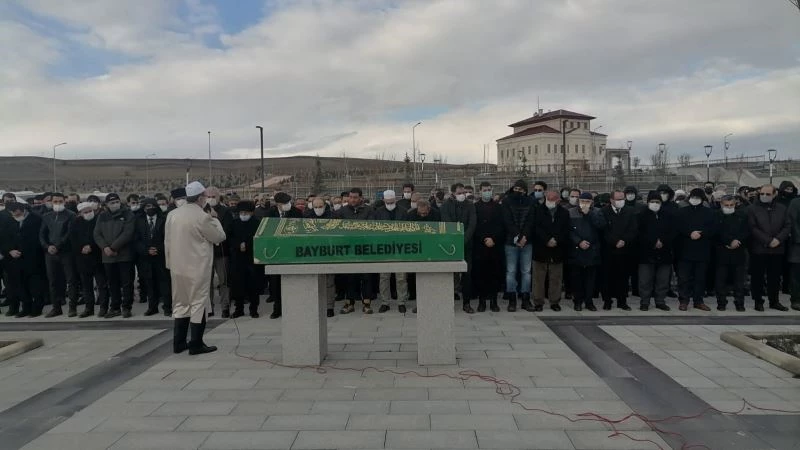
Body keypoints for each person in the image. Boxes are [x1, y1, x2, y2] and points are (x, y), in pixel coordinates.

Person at [165, 181, 226, 355]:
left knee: (181, 304)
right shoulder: (202, 216)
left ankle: (179, 343)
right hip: (197, 268)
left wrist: (169, 264)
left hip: (177, 268)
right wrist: (214, 218)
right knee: (199, 304)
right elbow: (219, 237)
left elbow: (167, 242)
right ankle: (196, 343)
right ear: (200, 198)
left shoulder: (173, 215)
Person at [747, 184, 790, 311]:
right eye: (762, 194)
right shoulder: (752, 209)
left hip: (777, 249)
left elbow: (787, 226)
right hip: (759, 249)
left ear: (774, 194)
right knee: (757, 277)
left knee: (775, 277)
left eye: (768, 194)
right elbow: (752, 227)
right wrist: (768, 240)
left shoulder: (782, 208)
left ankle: (774, 301)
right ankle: (758, 301)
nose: (764, 196)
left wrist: (778, 239)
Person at [93, 193, 137, 318]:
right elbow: (97, 234)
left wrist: (113, 247)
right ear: (106, 204)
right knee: (112, 283)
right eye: (112, 203)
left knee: (127, 283)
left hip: (124, 255)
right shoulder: (102, 216)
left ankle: (126, 307)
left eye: (117, 201)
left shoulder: (128, 214)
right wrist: (105, 247)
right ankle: (115, 307)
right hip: (108, 256)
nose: (115, 204)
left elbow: (128, 233)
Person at [334, 188, 376, 315]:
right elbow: (338, 229)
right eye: (351, 197)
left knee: (366, 276)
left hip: (364, 248)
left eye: (355, 197)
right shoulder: (342, 211)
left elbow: (370, 227)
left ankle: (367, 304)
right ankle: (349, 303)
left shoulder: (368, 210)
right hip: (348, 249)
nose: (352, 200)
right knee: (349, 277)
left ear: (361, 198)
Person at [1, 203, 46, 317]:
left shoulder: (36, 219)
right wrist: (10, 250)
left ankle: (37, 308)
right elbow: (4, 238)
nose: (16, 216)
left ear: (23, 210)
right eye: (13, 214)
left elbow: (40, 237)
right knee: (21, 286)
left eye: (18, 214)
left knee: (35, 286)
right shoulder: (9, 221)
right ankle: (26, 307)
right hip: (15, 259)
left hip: (34, 258)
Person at [674, 188, 716, 311]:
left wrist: (701, 234)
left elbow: (713, 229)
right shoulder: (681, 212)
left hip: (702, 250)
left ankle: (698, 301)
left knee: (700, 278)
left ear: (702, 199)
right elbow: (677, 228)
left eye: (698, 198)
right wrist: (689, 233)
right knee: (684, 278)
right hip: (684, 250)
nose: (695, 200)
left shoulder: (709, 213)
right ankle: (683, 300)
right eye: (693, 197)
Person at [39, 192, 79, 317]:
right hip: (50, 254)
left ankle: (72, 307)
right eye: (55, 201)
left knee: (71, 280)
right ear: (51, 202)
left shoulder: (71, 215)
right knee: (52, 281)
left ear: (64, 201)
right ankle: (56, 308)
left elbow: (69, 233)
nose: (57, 204)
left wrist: (58, 246)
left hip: (66, 252)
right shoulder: (47, 216)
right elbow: (42, 234)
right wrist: (47, 246)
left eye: (60, 201)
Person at [441, 183, 477, 312]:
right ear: (453, 194)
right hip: (450, 245)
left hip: (467, 245)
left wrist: (464, 239)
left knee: (467, 274)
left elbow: (472, 223)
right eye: (459, 193)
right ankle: (448, 301)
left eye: (463, 193)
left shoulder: (470, 205)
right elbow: (447, 223)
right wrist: (456, 240)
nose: (462, 195)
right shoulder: (446, 206)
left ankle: (466, 303)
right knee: (450, 274)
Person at [267, 192, 304, 318]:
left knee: (294, 280)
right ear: (278, 204)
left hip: (292, 250)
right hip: (276, 252)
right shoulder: (270, 214)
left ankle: (295, 307)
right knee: (276, 281)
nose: (288, 205)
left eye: (289, 202)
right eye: (285, 203)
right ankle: (277, 308)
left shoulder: (296, 213)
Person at [568, 193, 606, 311]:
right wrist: (578, 242)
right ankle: (577, 301)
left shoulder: (597, 212)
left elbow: (601, 226)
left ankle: (589, 301)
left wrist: (588, 213)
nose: (584, 203)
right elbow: (568, 230)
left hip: (592, 250)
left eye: (587, 201)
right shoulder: (571, 212)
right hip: (577, 250)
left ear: (592, 202)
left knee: (590, 279)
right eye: (582, 200)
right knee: (576, 278)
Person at [637, 191, 675, 311]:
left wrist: (662, 241)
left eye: (657, 202)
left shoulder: (668, 215)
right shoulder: (641, 215)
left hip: (664, 252)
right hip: (646, 253)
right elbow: (638, 233)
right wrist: (653, 241)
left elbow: (673, 232)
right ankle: (644, 302)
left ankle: (660, 301)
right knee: (645, 280)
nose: (655, 204)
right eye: (652, 202)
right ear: (648, 202)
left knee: (662, 280)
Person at [600, 190, 637, 311]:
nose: (621, 201)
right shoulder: (604, 211)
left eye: (622, 199)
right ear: (611, 200)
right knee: (607, 277)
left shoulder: (630, 211)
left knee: (623, 277)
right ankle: (607, 301)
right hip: (608, 250)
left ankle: (622, 301)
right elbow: (603, 230)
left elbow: (633, 229)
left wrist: (624, 240)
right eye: (618, 199)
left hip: (625, 250)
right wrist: (614, 241)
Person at [533, 191, 570, 312]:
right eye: (548, 199)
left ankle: (554, 301)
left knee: (556, 277)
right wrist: (547, 240)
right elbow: (535, 228)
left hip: (558, 248)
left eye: (553, 200)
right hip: (541, 248)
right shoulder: (537, 210)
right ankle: (538, 301)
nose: (550, 202)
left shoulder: (564, 213)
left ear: (558, 200)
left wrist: (556, 240)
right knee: (539, 278)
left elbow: (566, 229)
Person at [501, 180, 535, 312]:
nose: (518, 191)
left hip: (527, 242)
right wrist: (517, 236)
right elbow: (507, 220)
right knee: (511, 271)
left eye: (520, 189)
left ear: (525, 190)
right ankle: (512, 299)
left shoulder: (531, 202)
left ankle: (525, 299)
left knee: (526, 272)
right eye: (516, 188)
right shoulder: (506, 201)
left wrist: (524, 236)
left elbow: (531, 221)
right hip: (511, 242)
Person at [374, 190, 410, 314]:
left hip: (400, 247)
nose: (389, 203)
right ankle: (385, 302)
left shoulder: (403, 211)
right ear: (384, 200)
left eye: (391, 201)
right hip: (384, 248)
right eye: (387, 202)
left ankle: (401, 302)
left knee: (401, 277)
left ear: (395, 200)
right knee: (384, 277)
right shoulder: (378, 212)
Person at [71, 202, 108, 317]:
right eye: (85, 212)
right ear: (80, 213)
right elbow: (72, 239)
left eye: (89, 211)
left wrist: (91, 246)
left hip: (98, 257)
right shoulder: (75, 223)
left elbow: (102, 236)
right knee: (86, 286)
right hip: (82, 258)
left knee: (101, 285)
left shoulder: (99, 221)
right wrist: (81, 248)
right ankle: (89, 308)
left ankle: (103, 307)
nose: (88, 213)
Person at [135, 199, 172, 316]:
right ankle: (152, 307)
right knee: (150, 283)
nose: (148, 208)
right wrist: (146, 250)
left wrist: (159, 249)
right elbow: (136, 240)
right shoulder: (139, 221)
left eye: (151, 206)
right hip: (146, 258)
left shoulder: (164, 219)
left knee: (164, 283)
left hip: (161, 257)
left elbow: (169, 238)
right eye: (146, 206)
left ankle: (167, 307)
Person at [228, 201, 263, 318]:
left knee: (253, 284)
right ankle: (239, 309)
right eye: (241, 213)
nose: (243, 215)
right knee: (238, 285)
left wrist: (247, 244)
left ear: (252, 213)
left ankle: (254, 309)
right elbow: (229, 238)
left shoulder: (257, 223)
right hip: (237, 259)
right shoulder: (234, 223)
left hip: (252, 258)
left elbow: (258, 238)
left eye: (246, 213)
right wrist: (238, 244)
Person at [472, 182, 504, 312]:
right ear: (480, 191)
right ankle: (482, 301)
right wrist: (484, 239)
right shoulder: (475, 207)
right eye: (485, 190)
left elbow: (501, 225)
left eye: (489, 190)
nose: (487, 192)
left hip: (495, 245)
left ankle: (494, 301)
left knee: (494, 274)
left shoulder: (498, 207)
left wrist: (493, 239)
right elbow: (475, 226)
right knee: (481, 274)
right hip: (480, 246)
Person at [714, 195, 749, 311]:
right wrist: (728, 242)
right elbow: (716, 232)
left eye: (731, 205)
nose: (729, 207)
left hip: (738, 251)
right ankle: (721, 302)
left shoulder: (742, 216)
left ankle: (739, 303)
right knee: (720, 280)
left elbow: (746, 231)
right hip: (721, 252)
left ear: (735, 204)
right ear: (721, 204)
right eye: (726, 205)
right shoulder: (716, 215)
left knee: (739, 281)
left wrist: (737, 241)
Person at [204, 186, 232, 317]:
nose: (210, 199)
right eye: (208, 196)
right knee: (207, 282)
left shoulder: (225, 211)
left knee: (223, 281)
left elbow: (226, 231)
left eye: (213, 196)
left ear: (218, 197)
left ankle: (225, 307)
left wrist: (215, 218)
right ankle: (209, 308)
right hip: (206, 253)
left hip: (221, 253)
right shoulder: (201, 211)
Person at [786, 195, 800, 311]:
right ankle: (796, 299)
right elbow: (792, 222)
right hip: (798, 245)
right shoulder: (796, 202)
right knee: (797, 274)